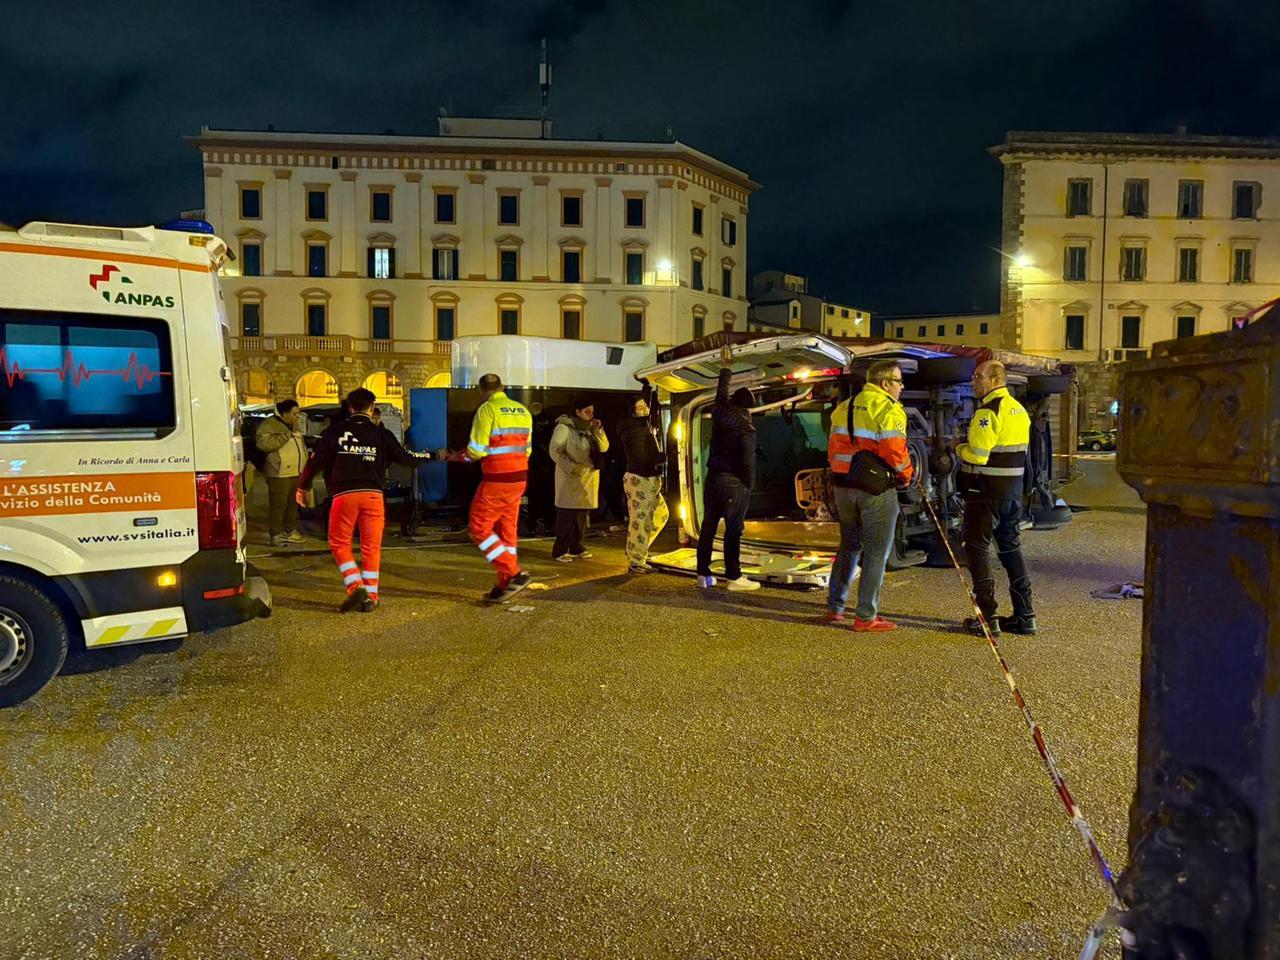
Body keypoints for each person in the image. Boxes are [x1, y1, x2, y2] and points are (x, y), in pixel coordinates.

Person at [297, 388, 432, 613]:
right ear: (371, 407)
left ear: (349, 408)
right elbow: (406, 458)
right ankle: (371, 596)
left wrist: (303, 486)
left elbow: (315, 462)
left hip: (344, 496)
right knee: (371, 548)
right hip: (374, 497)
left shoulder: (334, 432)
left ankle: (354, 584)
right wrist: (431, 455)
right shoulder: (381, 434)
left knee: (339, 543)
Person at [824, 361, 914, 632]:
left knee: (849, 546)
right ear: (885, 383)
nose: (901, 387)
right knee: (877, 552)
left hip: (842, 486)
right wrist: (907, 476)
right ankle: (865, 616)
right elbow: (894, 450)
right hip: (874, 489)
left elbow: (832, 447)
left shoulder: (844, 407)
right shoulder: (889, 409)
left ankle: (835, 607)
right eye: (898, 381)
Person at [958, 360, 1036, 636]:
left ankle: (987, 618)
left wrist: (958, 448)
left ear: (994, 379)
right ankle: (1025, 616)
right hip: (1013, 492)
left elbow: (978, 455)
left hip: (985, 492)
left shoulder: (988, 411)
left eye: (977, 376)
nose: (973, 381)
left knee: (976, 548)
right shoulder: (1018, 409)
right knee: (1011, 549)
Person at [454, 374, 534, 603]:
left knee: (479, 528)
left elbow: (477, 450)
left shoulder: (487, 410)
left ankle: (514, 573)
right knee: (507, 529)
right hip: (519, 478)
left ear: (482, 390)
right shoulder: (522, 410)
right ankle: (504, 583)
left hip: (497, 478)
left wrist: (458, 457)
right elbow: (527, 450)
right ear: (502, 387)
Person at [695, 345, 760, 592]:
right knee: (733, 531)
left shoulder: (720, 412)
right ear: (748, 409)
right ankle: (734, 577)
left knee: (708, 527)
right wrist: (749, 485)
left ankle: (703, 574)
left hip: (713, 479)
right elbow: (747, 461)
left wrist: (725, 368)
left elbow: (720, 394)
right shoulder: (747, 429)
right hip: (734, 482)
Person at [549, 397, 609, 562]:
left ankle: (576, 546)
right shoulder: (564, 427)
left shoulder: (589, 428)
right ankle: (560, 549)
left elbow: (604, 447)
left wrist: (598, 430)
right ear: (577, 412)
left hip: (588, 477)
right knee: (567, 514)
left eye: (592, 412)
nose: (590, 415)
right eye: (587, 411)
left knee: (582, 514)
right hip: (571, 477)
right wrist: (571, 467)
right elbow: (555, 450)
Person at [618, 394, 669, 574]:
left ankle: (636, 549)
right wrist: (661, 457)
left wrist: (647, 389)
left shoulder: (643, 426)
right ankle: (636, 560)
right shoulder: (634, 430)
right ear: (632, 411)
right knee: (640, 521)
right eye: (639, 408)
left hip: (649, 479)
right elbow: (640, 458)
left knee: (661, 514)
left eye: (645, 407)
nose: (644, 410)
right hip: (640, 479)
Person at [254, 399, 308, 547]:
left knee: (293, 504)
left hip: (296, 472)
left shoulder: (294, 426)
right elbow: (263, 444)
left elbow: (301, 447)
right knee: (278, 504)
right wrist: (284, 436)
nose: (297, 416)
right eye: (294, 413)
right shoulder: (269, 425)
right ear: (285, 413)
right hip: (278, 472)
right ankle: (276, 534)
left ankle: (289, 531)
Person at [524, 401, 556, 536]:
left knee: (543, 499)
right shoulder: (546, 421)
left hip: (541, 465)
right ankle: (537, 527)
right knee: (536, 500)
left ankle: (540, 527)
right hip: (538, 465)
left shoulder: (532, 420)